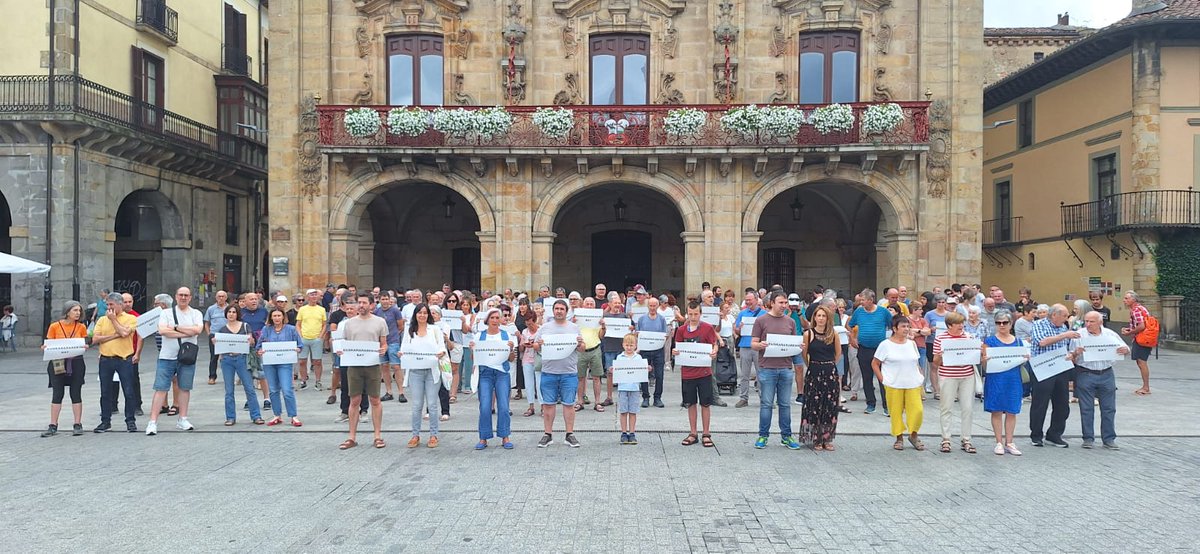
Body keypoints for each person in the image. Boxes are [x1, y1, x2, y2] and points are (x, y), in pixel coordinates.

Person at [146, 287, 203, 436]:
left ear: (190, 297)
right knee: (161, 388)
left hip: (187, 356)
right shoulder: (165, 313)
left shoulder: (196, 313)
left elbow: (197, 331)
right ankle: (153, 422)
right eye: (180, 295)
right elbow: (163, 331)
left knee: (185, 388)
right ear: (176, 297)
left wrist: (176, 327)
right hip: (167, 356)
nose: (183, 297)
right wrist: (186, 331)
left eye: (186, 295)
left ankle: (182, 418)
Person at [336, 293, 389, 450]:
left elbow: (384, 343)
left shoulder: (380, 322)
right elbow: (343, 343)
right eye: (359, 302)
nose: (361, 305)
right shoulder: (349, 323)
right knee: (354, 400)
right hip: (354, 365)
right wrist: (340, 351)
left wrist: (382, 350)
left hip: (372, 365)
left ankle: (377, 436)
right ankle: (351, 437)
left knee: (375, 400)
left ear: (372, 305)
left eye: (364, 302)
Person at [751, 292, 802, 450]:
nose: (784, 305)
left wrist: (798, 347)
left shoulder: (791, 322)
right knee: (766, 403)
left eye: (785, 302)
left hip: (786, 368)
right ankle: (763, 435)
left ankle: (786, 436)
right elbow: (753, 343)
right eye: (781, 302)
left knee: (785, 404)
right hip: (767, 368)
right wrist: (761, 345)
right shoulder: (761, 321)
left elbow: (793, 343)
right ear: (772, 303)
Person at [1073, 311, 1128, 449]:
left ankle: (1109, 439)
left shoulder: (1110, 334)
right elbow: (1071, 357)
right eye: (1086, 321)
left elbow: (1125, 347)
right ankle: (1088, 438)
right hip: (1086, 373)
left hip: (1106, 373)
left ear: (1100, 322)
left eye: (1091, 321)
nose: (1088, 324)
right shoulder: (1079, 335)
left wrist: (1124, 350)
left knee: (1109, 408)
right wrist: (1075, 353)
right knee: (1086, 408)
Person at [533, 299, 585, 448]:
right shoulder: (544, 328)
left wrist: (581, 343)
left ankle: (569, 434)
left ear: (566, 311)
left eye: (562, 309)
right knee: (548, 405)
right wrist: (539, 344)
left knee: (569, 404)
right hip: (549, 372)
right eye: (557, 308)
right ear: (553, 310)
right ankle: (547, 434)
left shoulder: (574, 328)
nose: (559, 311)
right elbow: (535, 346)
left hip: (568, 372)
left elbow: (582, 348)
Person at [1028, 304, 1079, 448]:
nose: (1066, 318)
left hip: (1061, 368)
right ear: (1054, 315)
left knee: (1062, 404)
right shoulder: (1039, 324)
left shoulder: (1063, 326)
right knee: (1040, 404)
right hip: (1042, 368)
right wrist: (1064, 335)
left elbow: (1065, 346)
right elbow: (1042, 342)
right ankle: (1036, 435)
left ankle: (1054, 434)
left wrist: (1071, 354)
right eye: (1064, 315)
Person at [872, 313, 925, 451]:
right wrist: (883, 379)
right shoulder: (885, 345)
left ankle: (913, 435)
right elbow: (875, 363)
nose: (906, 329)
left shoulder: (912, 344)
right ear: (895, 329)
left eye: (908, 326)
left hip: (913, 383)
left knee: (917, 411)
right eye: (903, 326)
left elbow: (916, 362)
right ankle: (899, 437)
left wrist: (920, 377)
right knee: (896, 412)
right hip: (894, 383)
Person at [40, 301, 89, 437]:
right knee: (57, 393)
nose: (78, 313)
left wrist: (85, 346)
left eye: (79, 310)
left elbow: (84, 342)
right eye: (75, 310)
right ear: (67, 312)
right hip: (58, 362)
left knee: (76, 392)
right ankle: (53, 424)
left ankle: (77, 424)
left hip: (76, 363)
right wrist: (45, 347)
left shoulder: (81, 327)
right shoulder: (55, 326)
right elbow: (48, 342)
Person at [981, 310, 1027, 456]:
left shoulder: (1019, 341)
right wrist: (984, 361)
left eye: (1004, 322)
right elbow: (984, 365)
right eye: (998, 323)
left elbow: (1022, 361)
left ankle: (1010, 441)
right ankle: (999, 442)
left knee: (1012, 410)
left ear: (1010, 324)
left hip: (1013, 378)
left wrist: (1025, 358)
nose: (1001, 325)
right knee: (997, 409)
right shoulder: (989, 341)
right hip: (996, 378)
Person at [91, 293, 139, 433]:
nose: (109, 307)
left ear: (120, 304)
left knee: (129, 391)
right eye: (108, 304)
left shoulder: (131, 318)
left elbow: (125, 333)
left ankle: (130, 420)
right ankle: (105, 421)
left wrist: (113, 320)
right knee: (105, 392)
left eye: (111, 304)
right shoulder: (101, 320)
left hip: (124, 359)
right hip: (106, 359)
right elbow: (95, 339)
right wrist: (114, 335)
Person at [674, 301, 719, 447]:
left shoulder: (707, 328)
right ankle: (693, 433)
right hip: (687, 373)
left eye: (696, 314)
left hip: (704, 372)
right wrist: (675, 352)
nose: (693, 317)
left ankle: (706, 433)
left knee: (705, 403)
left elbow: (714, 344)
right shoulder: (681, 330)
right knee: (690, 403)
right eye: (691, 314)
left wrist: (714, 351)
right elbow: (677, 347)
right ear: (687, 313)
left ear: (700, 314)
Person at [404, 303, 448, 448]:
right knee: (416, 405)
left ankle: (433, 435)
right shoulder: (409, 330)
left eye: (425, 313)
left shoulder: (434, 330)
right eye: (419, 313)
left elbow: (441, 346)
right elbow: (404, 348)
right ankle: (415, 435)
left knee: (432, 404)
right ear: (415, 315)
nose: (422, 315)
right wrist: (402, 354)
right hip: (415, 370)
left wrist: (441, 352)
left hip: (431, 370)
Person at [932, 312, 977, 454]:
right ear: (949, 325)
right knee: (946, 407)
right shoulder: (941, 338)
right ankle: (946, 438)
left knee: (968, 408)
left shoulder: (969, 337)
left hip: (967, 376)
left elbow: (975, 357)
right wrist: (941, 354)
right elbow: (936, 362)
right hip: (948, 376)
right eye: (958, 324)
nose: (961, 326)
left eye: (962, 323)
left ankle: (966, 439)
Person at [471, 307, 515, 450]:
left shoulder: (507, 336)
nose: (495, 320)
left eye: (497, 318)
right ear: (487, 320)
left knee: (503, 406)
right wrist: (473, 350)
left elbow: (512, 359)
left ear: (501, 320)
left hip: (502, 372)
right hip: (485, 373)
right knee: (484, 406)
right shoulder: (479, 336)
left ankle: (505, 436)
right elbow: (474, 359)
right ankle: (483, 437)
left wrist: (511, 349)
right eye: (492, 318)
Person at [212, 305, 262, 426]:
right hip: (227, 359)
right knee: (229, 390)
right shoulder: (222, 329)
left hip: (242, 358)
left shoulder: (245, 326)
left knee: (249, 388)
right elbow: (219, 346)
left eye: (234, 312)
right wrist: (215, 343)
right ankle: (230, 417)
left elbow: (252, 342)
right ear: (226, 314)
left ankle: (256, 416)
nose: (231, 314)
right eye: (229, 312)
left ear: (237, 314)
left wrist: (251, 341)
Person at [801, 305, 842, 451]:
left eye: (824, 316)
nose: (821, 318)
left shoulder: (833, 334)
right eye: (818, 315)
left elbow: (838, 353)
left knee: (829, 406)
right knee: (814, 406)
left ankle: (827, 437)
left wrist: (829, 365)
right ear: (814, 318)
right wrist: (812, 365)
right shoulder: (808, 334)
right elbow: (804, 354)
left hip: (830, 372)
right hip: (814, 372)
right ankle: (816, 438)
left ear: (828, 318)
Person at [847, 288, 891, 414]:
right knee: (866, 378)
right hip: (864, 348)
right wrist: (852, 338)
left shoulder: (883, 312)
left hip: (880, 349)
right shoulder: (859, 312)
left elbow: (892, 325)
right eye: (860, 300)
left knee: (883, 378)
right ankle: (870, 404)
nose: (861, 303)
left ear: (871, 300)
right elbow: (849, 325)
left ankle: (886, 405)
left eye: (863, 300)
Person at [257, 308, 303, 427]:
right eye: (274, 316)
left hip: (285, 363)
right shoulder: (266, 330)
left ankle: (293, 416)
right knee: (273, 390)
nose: (277, 318)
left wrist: (297, 349)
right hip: (270, 363)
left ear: (283, 317)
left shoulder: (291, 329)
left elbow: (300, 344)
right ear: (271, 318)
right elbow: (259, 345)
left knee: (287, 389)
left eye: (279, 315)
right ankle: (277, 415)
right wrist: (260, 351)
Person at [613, 333, 649, 445]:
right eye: (627, 345)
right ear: (623, 345)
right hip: (623, 388)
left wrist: (646, 368)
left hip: (634, 388)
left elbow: (642, 371)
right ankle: (624, 433)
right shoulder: (619, 357)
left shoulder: (638, 358)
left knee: (633, 411)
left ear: (636, 346)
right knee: (623, 411)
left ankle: (632, 433)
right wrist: (612, 370)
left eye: (631, 345)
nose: (629, 347)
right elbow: (616, 370)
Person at [733, 291, 765, 408]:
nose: (747, 302)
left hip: (758, 346)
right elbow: (736, 330)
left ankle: (764, 398)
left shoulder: (763, 314)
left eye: (750, 300)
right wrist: (739, 328)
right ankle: (743, 398)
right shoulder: (742, 313)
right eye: (746, 300)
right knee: (744, 375)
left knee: (761, 374)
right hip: (745, 345)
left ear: (756, 300)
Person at [636, 295, 668, 408]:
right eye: (650, 305)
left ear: (658, 306)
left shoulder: (662, 319)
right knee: (644, 374)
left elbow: (665, 335)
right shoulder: (641, 319)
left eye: (655, 306)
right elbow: (637, 334)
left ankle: (657, 398)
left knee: (659, 375)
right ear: (647, 306)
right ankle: (645, 397)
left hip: (658, 350)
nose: (652, 308)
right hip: (644, 350)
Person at [1121, 290, 1153, 396]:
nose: (1124, 300)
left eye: (1126, 298)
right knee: (1140, 362)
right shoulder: (1139, 309)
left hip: (1142, 339)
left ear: (1133, 300)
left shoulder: (1136, 310)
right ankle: (1145, 386)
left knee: (1141, 362)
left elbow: (1141, 326)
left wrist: (1130, 332)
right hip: (1144, 338)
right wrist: (1129, 329)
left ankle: (1146, 387)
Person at [376, 293, 407, 403]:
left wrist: (395, 335)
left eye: (386, 299)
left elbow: (400, 325)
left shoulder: (395, 311)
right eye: (382, 299)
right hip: (381, 342)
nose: (384, 301)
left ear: (389, 300)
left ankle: (401, 392)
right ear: (379, 300)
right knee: (384, 366)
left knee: (396, 367)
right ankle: (389, 391)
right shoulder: (377, 312)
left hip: (393, 341)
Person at [296, 289, 327, 390]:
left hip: (316, 338)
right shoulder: (302, 309)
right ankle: (303, 380)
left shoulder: (321, 309)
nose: (314, 297)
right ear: (308, 297)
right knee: (302, 361)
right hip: (304, 338)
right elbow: (298, 324)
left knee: (317, 361)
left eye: (315, 295)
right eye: (311, 295)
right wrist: (300, 336)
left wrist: (320, 336)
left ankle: (318, 381)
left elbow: (324, 324)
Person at [203, 290, 229, 385]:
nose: (221, 298)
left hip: (227, 335)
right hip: (214, 335)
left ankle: (228, 377)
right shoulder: (211, 309)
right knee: (214, 357)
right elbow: (207, 322)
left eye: (223, 296)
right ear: (216, 298)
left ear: (226, 298)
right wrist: (209, 333)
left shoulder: (230, 308)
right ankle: (212, 376)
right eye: (219, 296)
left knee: (228, 357)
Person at [519, 312, 541, 417]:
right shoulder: (524, 332)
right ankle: (531, 406)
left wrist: (535, 345)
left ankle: (543, 406)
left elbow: (543, 346)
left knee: (540, 384)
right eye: (527, 323)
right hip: (527, 359)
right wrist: (522, 344)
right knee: (528, 384)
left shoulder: (541, 331)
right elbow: (521, 349)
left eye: (531, 323)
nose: (529, 325)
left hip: (538, 359)